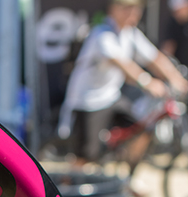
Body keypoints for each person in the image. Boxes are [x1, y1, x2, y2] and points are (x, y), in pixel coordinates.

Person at [58, 0, 188, 171]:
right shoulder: (101, 33)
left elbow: (155, 58)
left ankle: (126, 177)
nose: (133, 14)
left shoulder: (131, 33)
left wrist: (177, 79)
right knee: (86, 158)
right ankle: (69, 185)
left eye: (136, 9)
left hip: (111, 97)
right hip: (88, 101)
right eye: (127, 9)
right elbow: (122, 64)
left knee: (141, 129)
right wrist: (148, 82)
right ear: (113, 9)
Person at [162, 0, 188, 69]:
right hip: (181, 68)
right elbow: (168, 47)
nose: (176, 15)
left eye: (178, 11)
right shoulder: (173, 23)